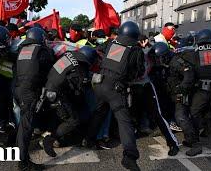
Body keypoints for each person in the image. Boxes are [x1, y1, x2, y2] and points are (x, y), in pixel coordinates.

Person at [84, 21, 145, 171]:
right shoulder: (135, 50)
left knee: (99, 113)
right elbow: (139, 72)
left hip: (99, 83)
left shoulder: (111, 44)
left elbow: (98, 51)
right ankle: (129, 156)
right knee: (124, 121)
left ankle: (89, 140)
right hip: (115, 89)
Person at [172, 29, 211, 156]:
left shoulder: (194, 54)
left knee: (194, 113)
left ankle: (196, 144)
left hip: (204, 90)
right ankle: (209, 130)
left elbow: (189, 71)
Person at [41, 46, 98, 157]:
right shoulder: (79, 69)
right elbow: (78, 92)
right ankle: (49, 139)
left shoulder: (68, 55)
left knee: (62, 115)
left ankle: (51, 134)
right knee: (73, 120)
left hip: (48, 89)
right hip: (57, 95)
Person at [15, 27, 55, 170]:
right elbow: (49, 67)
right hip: (30, 91)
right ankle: (23, 162)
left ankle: (20, 150)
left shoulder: (22, 50)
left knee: (25, 122)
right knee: (26, 125)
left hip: (19, 89)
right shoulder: (42, 51)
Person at [146, 42, 180, 155]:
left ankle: (172, 143)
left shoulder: (167, 63)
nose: (160, 60)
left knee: (159, 114)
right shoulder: (147, 59)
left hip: (155, 88)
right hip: (145, 86)